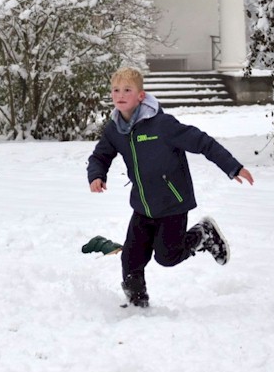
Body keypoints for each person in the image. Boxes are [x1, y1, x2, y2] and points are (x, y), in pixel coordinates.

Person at [87, 67, 254, 308]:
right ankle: (137, 303)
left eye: (127, 90)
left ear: (140, 96)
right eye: (115, 90)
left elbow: (202, 142)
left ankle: (203, 233)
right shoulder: (115, 129)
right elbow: (100, 156)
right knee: (131, 259)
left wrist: (232, 167)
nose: (120, 95)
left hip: (173, 204)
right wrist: (96, 175)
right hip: (143, 206)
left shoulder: (161, 125)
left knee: (167, 257)